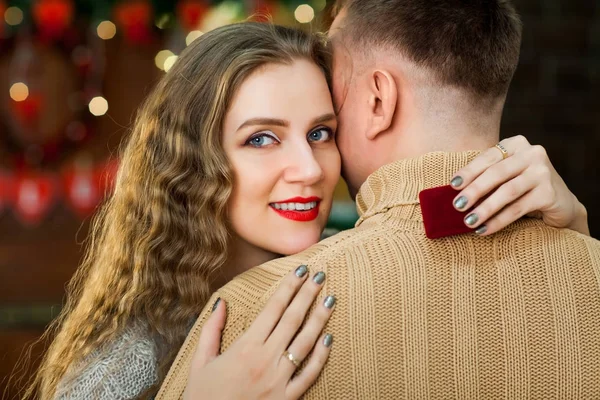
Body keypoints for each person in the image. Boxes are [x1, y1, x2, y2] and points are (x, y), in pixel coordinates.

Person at [25, 20, 587, 400]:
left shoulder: (360, 280)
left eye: (321, 132)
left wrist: (572, 238)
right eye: (262, 139)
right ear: (194, 165)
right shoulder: (138, 350)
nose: (310, 168)